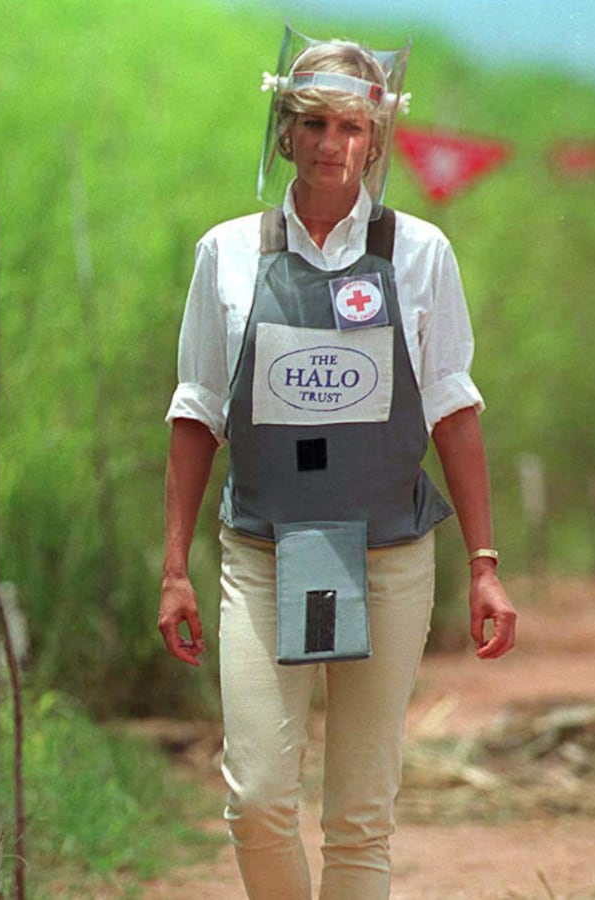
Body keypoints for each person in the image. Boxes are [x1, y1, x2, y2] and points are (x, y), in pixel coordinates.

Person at [156, 32, 518, 900]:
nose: (331, 145)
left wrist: (484, 565)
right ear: (284, 132)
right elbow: (198, 410)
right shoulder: (229, 254)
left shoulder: (420, 253)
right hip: (262, 554)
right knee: (257, 800)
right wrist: (174, 567)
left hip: (389, 557)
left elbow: (454, 407)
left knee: (360, 815)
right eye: (313, 123)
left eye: (351, 128)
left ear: (377, 139)